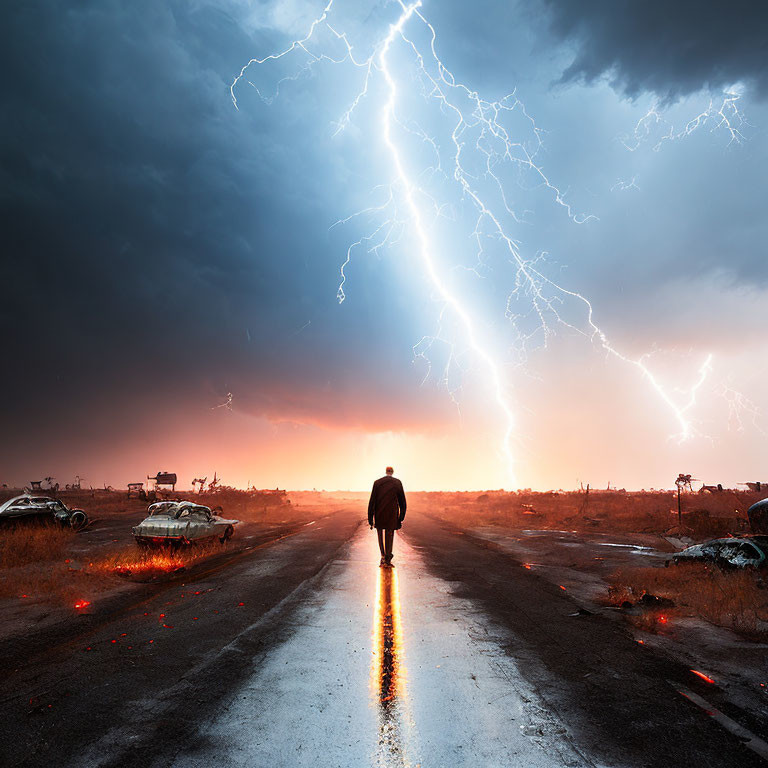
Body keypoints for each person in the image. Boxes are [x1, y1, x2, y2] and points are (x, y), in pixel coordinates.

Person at [368, 466, 407, 567]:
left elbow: (372, 501)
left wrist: (370, 518)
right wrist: (401, 517)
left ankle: (383, 556)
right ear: (392, 472)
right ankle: (388, 558)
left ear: (386, 472)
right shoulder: (397, 482)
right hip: (392, 514)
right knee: (389, 534)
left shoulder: (377, 482)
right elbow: (402, 501)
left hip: (379, 513)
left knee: (380, 534)